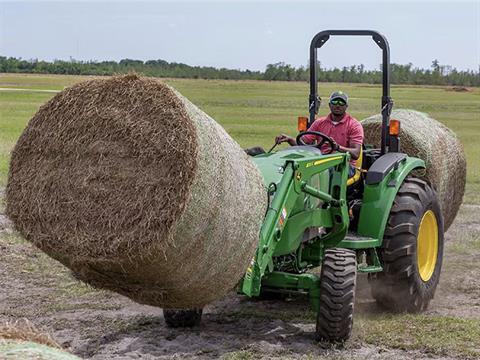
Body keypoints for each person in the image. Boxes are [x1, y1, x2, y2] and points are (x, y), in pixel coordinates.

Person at [275, 91, 364, 178]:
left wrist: (337, 147)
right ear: (330, 105)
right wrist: (289, 139)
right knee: (295, 166)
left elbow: (356, 153)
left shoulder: (354, 125)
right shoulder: (319, 123)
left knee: (325, 171)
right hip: (321, 162)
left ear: (346, 106)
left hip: (344, 165)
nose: (338, 105)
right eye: (334, 102)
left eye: (341, 103)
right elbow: (302, 144)